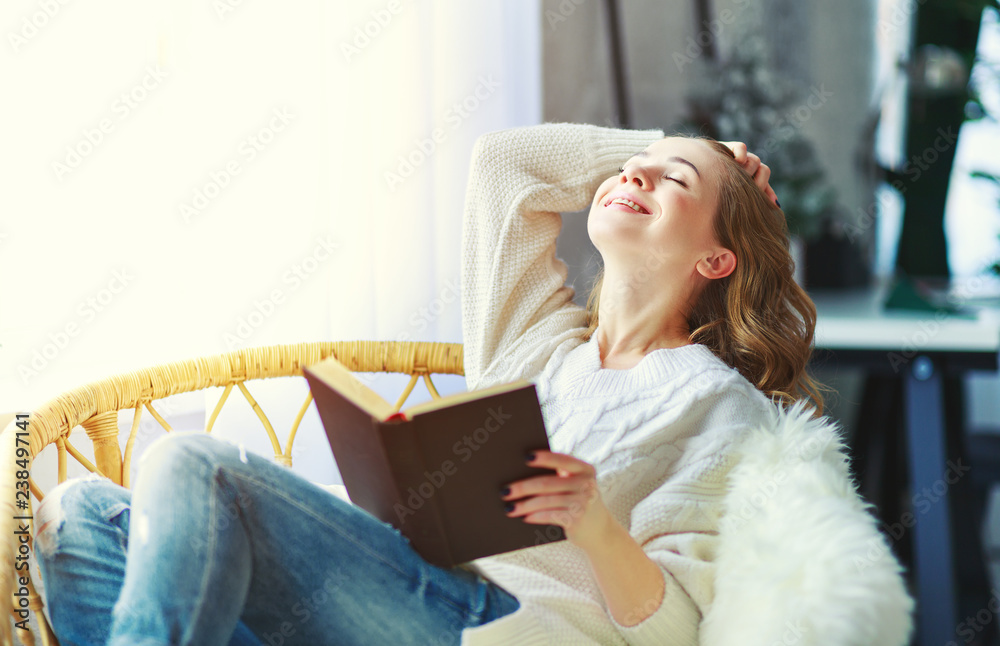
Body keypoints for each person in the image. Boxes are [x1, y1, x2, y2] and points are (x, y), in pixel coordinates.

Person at [32, 122, 820, 646]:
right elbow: (503, 166)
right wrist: (676, 144)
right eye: (628, 169)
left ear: (718, 260)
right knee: (80, 514)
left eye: (672, 181)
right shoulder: (540, 347)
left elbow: (682, 630)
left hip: (485, 628)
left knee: (190, 464)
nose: (635, 174)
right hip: (401, 591)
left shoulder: (723, 410)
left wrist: (595, 526)